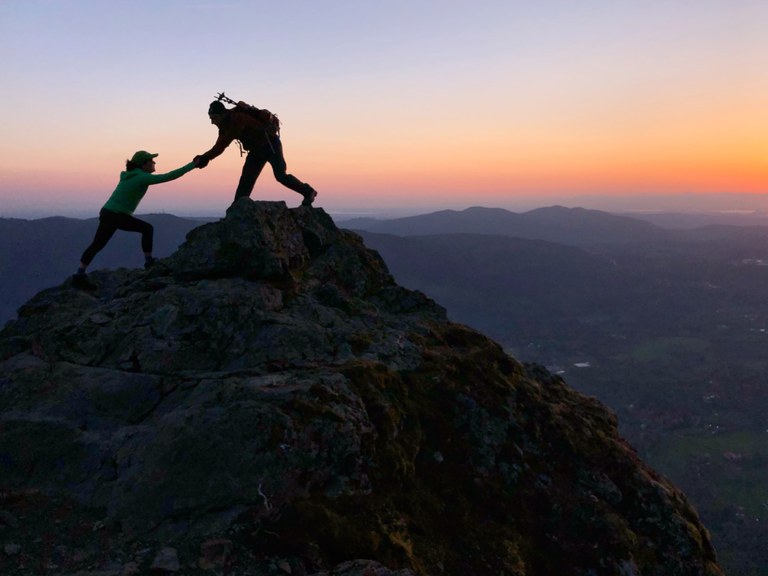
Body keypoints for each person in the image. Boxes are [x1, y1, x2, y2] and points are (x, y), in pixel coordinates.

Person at [73, 151, 201, 289]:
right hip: (116, 214)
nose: (154, 163)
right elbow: (168, 176)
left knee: (97, 244)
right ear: (143, 164)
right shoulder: (141, 177)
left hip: (108, 212)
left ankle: (79, 273)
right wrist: (192, 165)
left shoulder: (130, 176)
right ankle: (149, 261)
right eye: (151, 161)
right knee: (147, 229)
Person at [194, 100, 317, 207]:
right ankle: (238, 206)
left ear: (221, 115)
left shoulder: (237, 119)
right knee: (247, 178)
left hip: (271, 146)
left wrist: (205, 158)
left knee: (280, 176)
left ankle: (308, 192)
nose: (212, 122)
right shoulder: (225, 125)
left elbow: (223, 144)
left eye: (213, 118)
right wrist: (205, 157)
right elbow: (219, 145)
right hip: (256, 151)